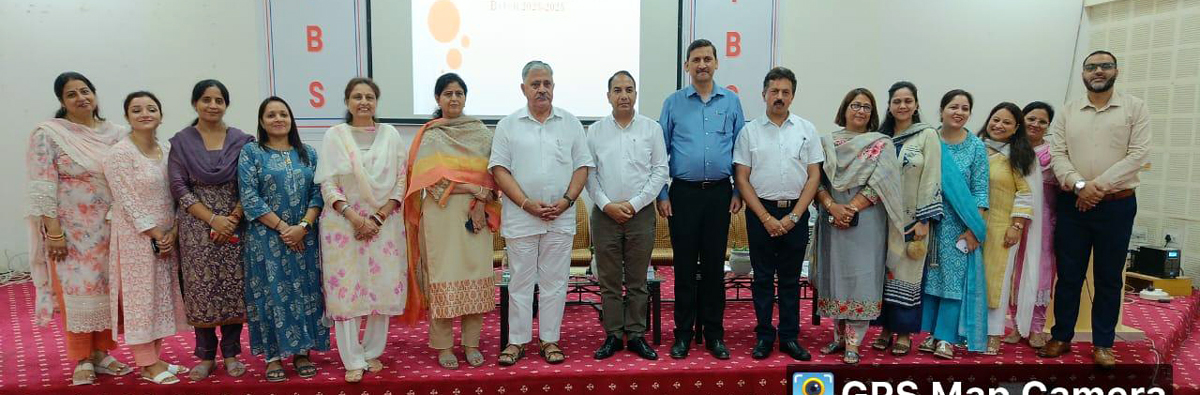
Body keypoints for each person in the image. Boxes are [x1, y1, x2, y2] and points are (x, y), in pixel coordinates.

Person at [1040, 50, 1149, 368]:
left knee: (1109, 277)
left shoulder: (1135, 108)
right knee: (1068, 275)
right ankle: (1061, 336)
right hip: (1073, 205)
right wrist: (1079, 186)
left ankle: (1103, 343)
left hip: (1117, 204)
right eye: (1091, 67)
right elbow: (1058, 154)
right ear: (1083, 74)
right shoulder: (1068, 111)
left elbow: (1138, 154)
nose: (1098, 71)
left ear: (1116, 71)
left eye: (1105, 66)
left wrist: (1095, 187)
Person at [26, 72, 131, 386]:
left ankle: (102, 354)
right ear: (62, 101)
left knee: (106, 290)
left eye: (85, 91)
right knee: (78, 292)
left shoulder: (117, 134)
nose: (81, 98)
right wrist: (54, 232)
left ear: (95, 94)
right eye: (71, 94)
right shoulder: (49, 134)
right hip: (71, 233)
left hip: (110, 228)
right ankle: (82, 358)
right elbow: (43, 186)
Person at [489, 60, 593, 366]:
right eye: (535, 84)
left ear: (554, 87)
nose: (542, 89)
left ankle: (550, 340)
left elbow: (582, 166)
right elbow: (499, 169)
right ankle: (517, 341)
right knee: (520, 280)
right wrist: (526, 203)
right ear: (523, 89)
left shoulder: (570, 123)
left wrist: (567, 201)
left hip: (560, 216)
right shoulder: (508, 125)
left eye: (547, 83)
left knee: (555, 281)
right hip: (522, 216)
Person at [314, 77, 410, 382]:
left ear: (376, 102)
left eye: (369, 96)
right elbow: (328, 183)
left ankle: (371, 352)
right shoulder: (335, 136)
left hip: (384, 225)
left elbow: (401, 180)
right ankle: (352, 358)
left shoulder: (391, 135)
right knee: (346, 291)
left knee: (382, 287)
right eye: (357, 96)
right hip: (343, 225)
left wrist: (377, 218)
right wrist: (355, 218)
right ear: (347, 102)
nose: (364, 102)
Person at [402, 73, 499, 370]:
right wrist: (472, 188)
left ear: (465, 97)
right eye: (448, 93)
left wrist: (481, 201)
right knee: (442, 277)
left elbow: (494, 174)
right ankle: (444, 346)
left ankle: (471, 343)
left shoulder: (481, 132)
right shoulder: (431, 135)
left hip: (476, 214)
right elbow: (429, 180)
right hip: (441, 214)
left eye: (459, 93)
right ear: (438, 98)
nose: (454, 98)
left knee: (475, 273)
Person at [657, 38, 745, 360]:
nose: (702, 65)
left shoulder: (732, 102)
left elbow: (741, 150)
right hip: (683, 195)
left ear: (716, 63)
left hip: (720, 194)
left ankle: (714, 335)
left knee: (713, 268)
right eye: (696, 60)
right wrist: (662, 193)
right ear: (687, 66)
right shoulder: (673, 103)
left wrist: (738, 190)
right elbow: (659, 152)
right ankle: (682, 335)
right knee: (683, 268)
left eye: (708, 59)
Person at [731, 67, 822, 362]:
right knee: (762, 278)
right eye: (774, 91)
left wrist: (794, 216)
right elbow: (742, 178)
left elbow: (814, 176)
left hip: (796, 212)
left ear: (792, 96)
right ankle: (764, 337)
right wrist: (766, 218)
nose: (779, 97)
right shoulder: (749, 132)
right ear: (764, 94)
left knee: (790, 280)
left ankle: (789, 337)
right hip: (761, 213)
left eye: (785, 92)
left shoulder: (807, 130)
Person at [167, 79, 253, 380]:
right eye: (206, 99)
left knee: (233, 288)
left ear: (226, 105)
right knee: (200, 290)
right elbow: (178, 186)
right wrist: (213, 219)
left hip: (235, 223)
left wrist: (232, 218)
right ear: (195, 103)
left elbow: (249, 183)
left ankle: (230, 353)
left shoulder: (242, 140)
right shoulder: (181, 142)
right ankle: (205, 356)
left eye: (219, 100)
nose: (213, 105)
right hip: (196, 227)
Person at [237, 97, 327, 381]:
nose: (278, 119)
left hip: (305, 238)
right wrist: (285, 229)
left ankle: (302, 352)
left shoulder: (308, 153)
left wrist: (303, 226)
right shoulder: (252, 152)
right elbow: (249, 197)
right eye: (271, 115)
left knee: (304, 292)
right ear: (262, 121)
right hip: (266, 239)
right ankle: (273, 357)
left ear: (291, 119)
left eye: (283, 114)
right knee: (270, 294)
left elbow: (318, 194)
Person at [813, 88, 905, 364]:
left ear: (873, 113)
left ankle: (854, 343)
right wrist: (833, 206)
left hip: (867, 221)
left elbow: (882, 182)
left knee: (862, 277)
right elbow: (815, 180)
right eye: (855, 105)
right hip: (831, 218)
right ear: (845, 109)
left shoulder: (882, 144)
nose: (860, 111)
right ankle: (839, 338)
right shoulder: (826, 143)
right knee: (835, 274)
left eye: (866, 107)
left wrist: (850, 209)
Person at [104, 91, 190, 384]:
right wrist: (155, 232)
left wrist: (173, 231)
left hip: (167, 236)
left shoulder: (167, 150)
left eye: (151, 108)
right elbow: (126, 199)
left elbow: (178, 191)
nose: (145, 114)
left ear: (161, 116)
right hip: (136, 237)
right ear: (127, 116)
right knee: (140, 299)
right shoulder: (119, 153)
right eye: (137, 109)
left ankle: (155, 358)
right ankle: (147, 363)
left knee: (160, 298)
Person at [586, 70, 667, 361]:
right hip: (604, 214)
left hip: (640, 214)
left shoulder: (651, 129)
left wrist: (634, 204)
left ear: (635, 94)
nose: (624, 95)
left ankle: (635, 335)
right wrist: (607, 205)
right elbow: (589, 174)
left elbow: (660, 171)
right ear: (608, 96)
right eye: (617, 90)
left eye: (629, 89)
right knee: (608, 280)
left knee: (637, 280)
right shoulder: (595, 132)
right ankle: (612, 334)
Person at [870, 81, 943, 356]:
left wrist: (925, 219)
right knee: (883, 276)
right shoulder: (880, 138)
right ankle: (884, 329)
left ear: (916, 104)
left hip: (913, 221)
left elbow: (932, 176)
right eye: (897, 101)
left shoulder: (927, 136)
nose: (902, 106)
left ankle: (903, 333)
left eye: (907, 101)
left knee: (907, 276)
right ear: (889, 106)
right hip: (881, 220)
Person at [919, 89, 989, 359]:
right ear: (942, 110)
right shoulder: (928, 140)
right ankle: (931, 333)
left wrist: (973, 229)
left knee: (953, 282)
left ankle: (946, 338)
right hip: (928, 222)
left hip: (959, 225)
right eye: (953, 107)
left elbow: (980, 190)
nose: (959, 112)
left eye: (964, 108)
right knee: (929, 280)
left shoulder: (976, 147)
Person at [976, 102, 1039, 355]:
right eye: (995, 119)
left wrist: (1016, 225)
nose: (999, 125)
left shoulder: (1018, 155)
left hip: (1002, 228)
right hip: (970, 226)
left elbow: (1026, 193)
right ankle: (970, 331)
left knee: (996, 281)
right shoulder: (974, 148)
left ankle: (993, 333)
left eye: (1006, 122)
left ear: (1016, 128)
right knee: (971, 280)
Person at [1006, 101, 1057, 348]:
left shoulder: (1053, 153)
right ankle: (1016, 325)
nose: (1036, 124)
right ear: (1021, 120)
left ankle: (1037, 327)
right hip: (1012, 217)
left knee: (1041, 271)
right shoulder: (1011, 149)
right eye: (1031, 119)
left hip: (1044, 221)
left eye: (1042, 121)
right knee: (1013, 269)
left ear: (1048, 126)